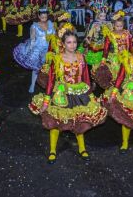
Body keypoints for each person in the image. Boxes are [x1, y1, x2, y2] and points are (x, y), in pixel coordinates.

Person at [29, 31, 107, 164]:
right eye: (69, 42)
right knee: (56, 121)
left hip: (79, 92)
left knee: (79, 120)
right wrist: (47, 101)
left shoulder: (81, 57)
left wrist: (90, 95)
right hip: (62, 93)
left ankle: (82, 148)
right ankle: (52, 150)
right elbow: (51, 81)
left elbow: (86, 78)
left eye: (75, 42)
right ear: (63, 44)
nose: (72, 45)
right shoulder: (57, 58)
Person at [13, 9, 55, 93]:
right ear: (39, 16)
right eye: (42, 17)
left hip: (48, 49)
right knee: (36, 68)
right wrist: (28, 50)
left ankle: (47, 84)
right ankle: (32, 84)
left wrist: (55, 45)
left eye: (45, 17)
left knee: (48, 68)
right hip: (37, 49)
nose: (44, 18)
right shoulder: (34, 26)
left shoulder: (51, 24)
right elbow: (32, 39)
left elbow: (54, 36)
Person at [95, 11, 132, 89]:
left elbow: (130, 46)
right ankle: (117, 84)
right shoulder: (110, 34)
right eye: (117, 26)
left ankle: (126, 84)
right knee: (116, 68)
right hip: (114, 56)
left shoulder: (127, 33)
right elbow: (106, 48)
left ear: (124, 25)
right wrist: (103, 60)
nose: (119, 28)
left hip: (126, 55)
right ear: (113, 25)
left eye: (121, 26)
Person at [81, 0, 112, 67]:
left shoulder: (108, 24)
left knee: (104, 62)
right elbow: (89, 35)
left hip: (105, 45)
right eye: (101, 16)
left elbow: (111, 34)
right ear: (97, 16)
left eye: (104, 16)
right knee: (93, 61)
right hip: (95, 44)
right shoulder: (94, 24)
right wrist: (86, 47)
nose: (103, 18)